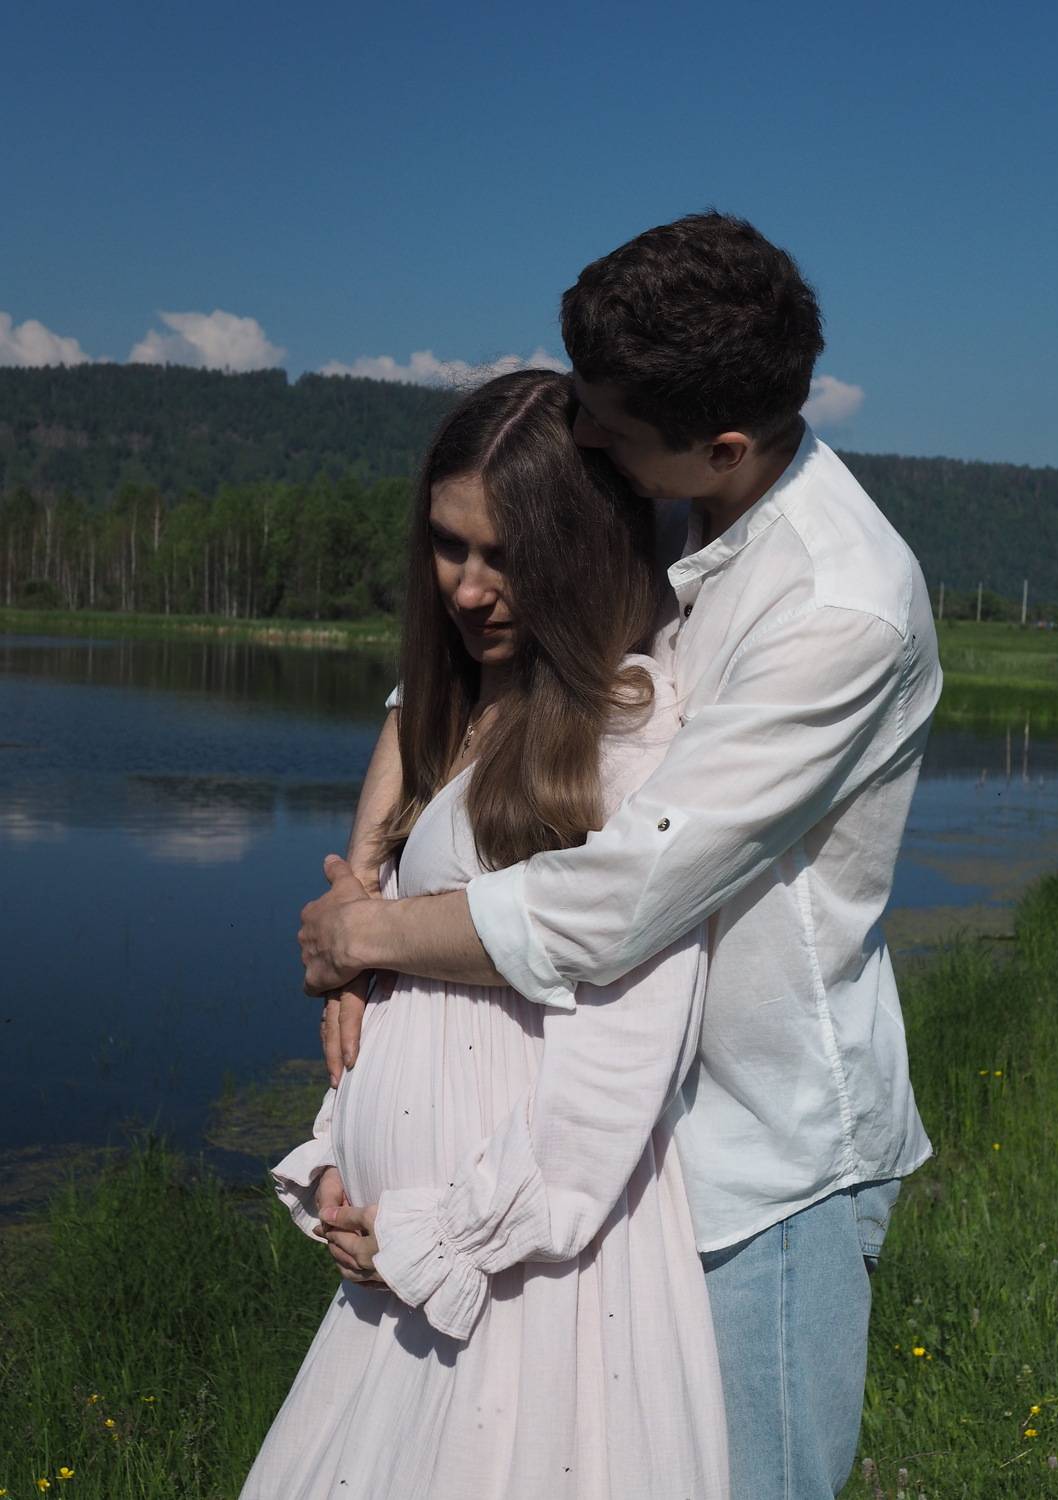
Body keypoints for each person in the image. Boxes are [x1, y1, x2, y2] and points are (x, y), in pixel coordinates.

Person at [300, 212, 943, 1499]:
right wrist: (369, 860)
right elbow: (467, 673)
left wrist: (366, 935)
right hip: (608, 1163)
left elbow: (622, 894)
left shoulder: (837, 606)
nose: (582, 437)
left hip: (755, 1160)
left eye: (605, 423)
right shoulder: (674, 498)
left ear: (722, 445)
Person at [243, 370, 728, 1499]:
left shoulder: (627, 735)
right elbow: (406, 999)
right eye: (448, 546)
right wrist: (340, 1148)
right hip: (403, 1267)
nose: (467, 587)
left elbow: (620, 1056)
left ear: (584, 552)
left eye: (505, 555)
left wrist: (450, 1234)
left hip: (530, 1280)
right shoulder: (469, 706)